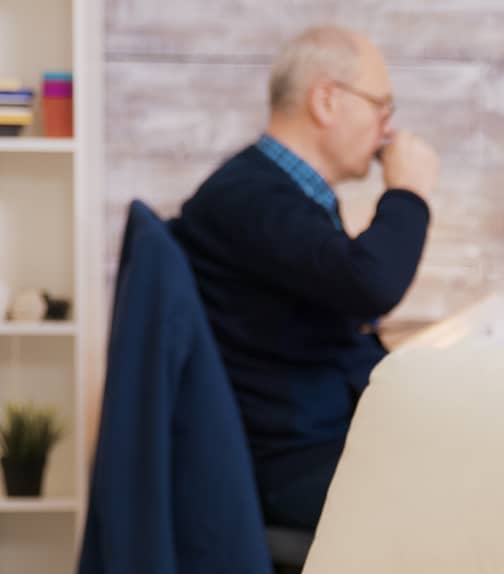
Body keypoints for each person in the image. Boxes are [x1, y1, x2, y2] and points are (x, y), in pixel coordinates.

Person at [170, 24, 440, 532]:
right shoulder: (252, 199)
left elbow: (347, 302)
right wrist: (409, 193)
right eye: (382, 107)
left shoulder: (280, 194)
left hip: (315, 446)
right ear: (326, 100)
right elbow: (370, 283)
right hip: (293, 465)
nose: (387, 130)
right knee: (480, 493)